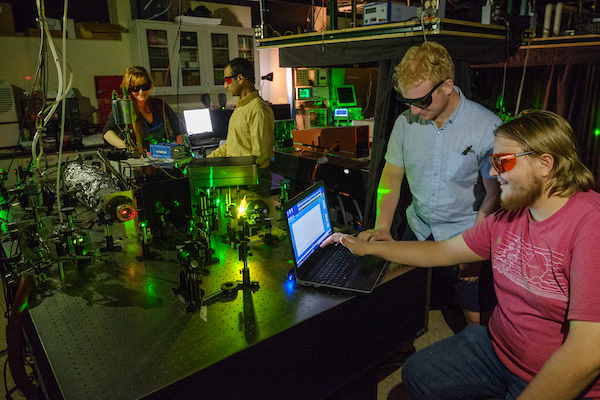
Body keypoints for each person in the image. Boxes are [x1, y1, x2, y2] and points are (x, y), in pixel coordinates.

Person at [323, 110, 600, 400]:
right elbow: (442, 250)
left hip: (547, 375)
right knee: (416, 373)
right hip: (498, 351)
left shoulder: (589, 225)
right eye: (493, 161)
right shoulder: (511, 217)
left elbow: (588, 351)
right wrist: (368, 246)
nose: (493, 173)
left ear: (545, 164)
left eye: (503, 162)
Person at [358, 41, 501, 327]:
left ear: (447, 85)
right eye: (407, 102)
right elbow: (391, 177)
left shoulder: (488, 128)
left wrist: (476, 248)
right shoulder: (405, 123)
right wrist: (383, 226)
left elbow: (494, 196)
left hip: (464, 233)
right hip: (419, 227)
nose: (414, 110)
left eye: (422, 101)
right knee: (399, 301)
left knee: (475, 317)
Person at [207, 57, 275, 198]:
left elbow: (260, 157)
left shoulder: (258, 109)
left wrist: (233, 174)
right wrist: (204, 163)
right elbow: (230, 146)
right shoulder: (240, 108)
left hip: (252, 185)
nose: (225, 86)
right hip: (238, 181)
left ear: (240, 78)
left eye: (227, 80)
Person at [103, 66, 183, 153]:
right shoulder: (123, 108)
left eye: (145, 87)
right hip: (139, 162)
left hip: (164, 159)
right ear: (129, 89)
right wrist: (130, 149)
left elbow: (179, 129)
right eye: (135, 88)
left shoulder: (159, 105)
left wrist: (179, 151)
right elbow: (107, 133)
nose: (141, 92)